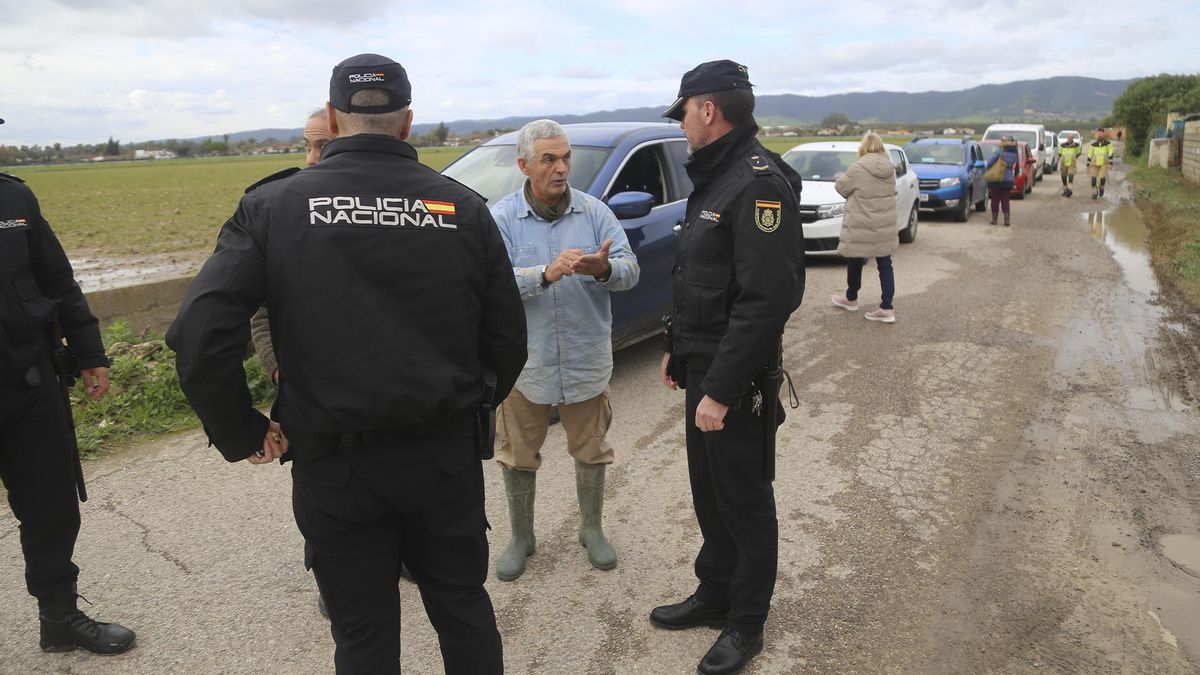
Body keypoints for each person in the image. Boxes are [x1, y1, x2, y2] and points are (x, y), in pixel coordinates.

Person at [167, 54, 527, 674]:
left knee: (361, 637)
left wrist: (241, 430)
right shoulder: (462, 208)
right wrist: (472, 402)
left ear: (332, 121)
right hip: (441, 460)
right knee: (463, 609)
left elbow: (200, 333)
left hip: (335, 469)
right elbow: (507, 338)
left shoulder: (274, 207)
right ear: (408, 121)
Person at [653, 60, 804, 675]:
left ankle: (747, 622)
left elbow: (767, 301)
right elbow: (700, 277)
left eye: (685, 112)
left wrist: (719, 387)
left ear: (707, 110)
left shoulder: (758, 182)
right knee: (709, 494)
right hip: (703, 369)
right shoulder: (716, 178)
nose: (683, 124)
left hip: (733, 385)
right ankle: (715, 591)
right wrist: (676, 345)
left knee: (743, 500)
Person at [0, 116, 136, 655]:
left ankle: (58, 617)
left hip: (27, 380)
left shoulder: (14, 201)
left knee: (52, 507)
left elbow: (57, 280)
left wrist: (89, 352)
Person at [489, 119, 640, 581]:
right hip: (525, 364)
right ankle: (521, 536)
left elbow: (630, 269)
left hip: (585, 359)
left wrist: (601, 270)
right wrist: (544, 275)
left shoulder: (595, 212)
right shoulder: (501, 217)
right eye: (549, 159)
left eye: (566, 157)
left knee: (591, 449)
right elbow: (487, 285)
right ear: (524, 165)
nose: (561, 168)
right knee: (517, 454)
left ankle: (591, 529)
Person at [830, 132, 899, 324]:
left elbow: (841, 188)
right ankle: (887, 307)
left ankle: (851, 298)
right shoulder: (889, 169)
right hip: (883, 224)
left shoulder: (857, 168)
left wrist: (843, 176)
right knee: (885, 264)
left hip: (861, 224)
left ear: (863, 147)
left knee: (855, 260)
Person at [984, 135, 1019, 226]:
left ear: (1006, 141)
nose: (1000, 141)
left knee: (995, 199)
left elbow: (990, 161)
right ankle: (1007, 220)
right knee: (1005, 200)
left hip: (997, 178)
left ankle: (994, 219)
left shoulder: (1000, 150)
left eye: (1002, 140)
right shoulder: (1014, 152)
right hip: (1008, 179)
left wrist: (989, 169)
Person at [1088, 127, 1115, 200]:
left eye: (1101, 133)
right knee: (1093, 179)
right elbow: (1090, 153)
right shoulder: (1093, 144)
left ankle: (1101, 188)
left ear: (1103, 133)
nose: (1100, 134)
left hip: (1104, 163)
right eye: (1098, 133)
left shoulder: (1108, 143)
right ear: (1097, 134)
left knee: (1102, 178)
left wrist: (1110, 163)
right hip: (1094, 163)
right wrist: (1088, 163)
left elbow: (1110, 152)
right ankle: (1094, 193)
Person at [1058, 132, 1083, 197]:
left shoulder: (1076, 145)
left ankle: (1069, 190)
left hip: (1072, 163)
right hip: (1063, 163)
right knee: (1063, 176)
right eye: (1069, 137)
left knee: (1071, 176)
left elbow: (1078, 153)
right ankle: (1065, 189)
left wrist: (1073, 157)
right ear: (1067, 138)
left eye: (1071, 137)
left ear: (1073, 138)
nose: (1070, 138)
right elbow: (1060, 153)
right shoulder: (1063, 145)